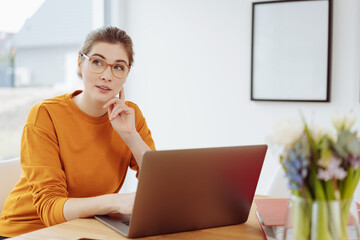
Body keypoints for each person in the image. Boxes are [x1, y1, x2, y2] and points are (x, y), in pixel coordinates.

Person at [0, 26, 155, 238]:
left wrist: (130, 136)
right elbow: (50, 209)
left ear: (127, 73)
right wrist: (116, 202)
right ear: (80, 64)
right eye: (97, 62)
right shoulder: (45, 114)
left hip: (85, 229)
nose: (107, 76)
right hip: (27, 232)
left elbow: (159, 185)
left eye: (118, 67)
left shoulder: (130, 115)